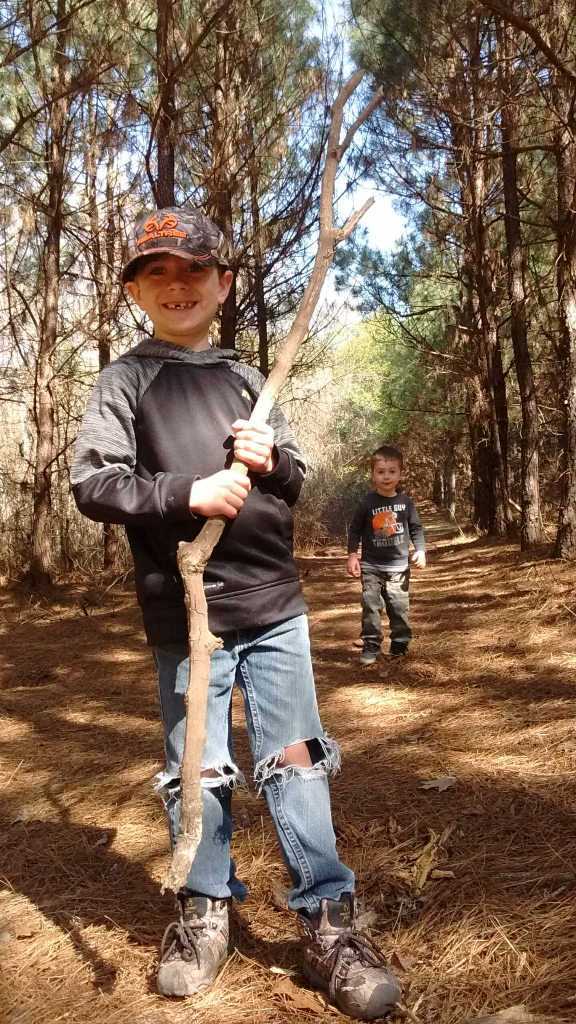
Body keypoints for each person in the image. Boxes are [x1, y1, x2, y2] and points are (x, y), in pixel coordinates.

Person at [71, 207, 400, 1019]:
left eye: (195, 269)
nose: (178, 284)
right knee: (201, 768)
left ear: (223, 282)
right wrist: (187, 492)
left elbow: (298, 478)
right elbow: (93, 482)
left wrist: (272, 457)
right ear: (136, 291)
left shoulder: (253, 379)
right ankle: (205, 908)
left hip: (275, 605)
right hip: (188, 619)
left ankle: (328, 916)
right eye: (158, 273)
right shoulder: (125, 380)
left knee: (297, 762)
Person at [347, 444, 426, 666]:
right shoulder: (366, 503)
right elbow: (354, 530)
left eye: (392, 471)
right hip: (371, 566)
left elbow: (417, 529)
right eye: (380, 472)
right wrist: (352, 555)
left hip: (399, 568)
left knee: (399, 608)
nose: (386, 477)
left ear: (400, 473)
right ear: (373, 474)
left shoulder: (406, 503)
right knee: (370, 606)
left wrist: (420, 549)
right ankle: (371, 646)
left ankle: (399, 646)